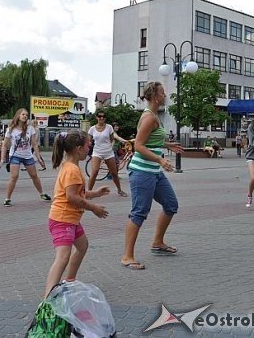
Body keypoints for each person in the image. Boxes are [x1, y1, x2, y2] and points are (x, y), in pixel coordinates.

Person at [121, 82, 184, 270]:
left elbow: (150, 140)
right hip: (142, 172)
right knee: (139, 211)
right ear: (156, 96)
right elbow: (138, 145)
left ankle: (157, 242)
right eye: (163, 92)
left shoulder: (154, 116)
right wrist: (160, 160)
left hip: (154, 173)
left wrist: (167, 145)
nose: (165, 95)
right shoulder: (149, 117)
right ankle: (127, 256)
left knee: (171, 205)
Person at [43, 130, 109, 297]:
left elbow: (78, 193)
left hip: (70, 219)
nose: (90, 149)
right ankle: (47, 298)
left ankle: (69, 281)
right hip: (63, 219)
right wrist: (94, 208)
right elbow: (72, 198)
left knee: (82, 246)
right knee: (62, 258)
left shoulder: (71, 167)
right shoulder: (71, 170)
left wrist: (96, 193)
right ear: (79, 149)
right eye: (88, 145)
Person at [0, 108, 51, 207]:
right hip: (15, 155)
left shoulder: (30, 128)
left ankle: (42, 193)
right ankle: (7, 198)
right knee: (14, 176)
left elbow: (34, 144)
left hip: (27, 155)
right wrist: (2, 158)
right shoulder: (11, 129)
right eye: (23, 114)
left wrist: (39, 157)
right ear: (18, 115)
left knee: (34, 176)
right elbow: (5, 145)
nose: (25, 116)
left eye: (26, 115)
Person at [87, 112, 128, 196]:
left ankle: (119, 190)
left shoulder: (109, 127)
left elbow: (112, 139)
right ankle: (88, 193)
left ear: (105, 118)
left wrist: (112, 146)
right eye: (99, 116)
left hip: (108, 152)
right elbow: (89, 141)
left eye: (103, 116)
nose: (101, 118)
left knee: (114, 173)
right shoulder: (92, 129)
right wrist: (89, 144)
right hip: (97, 152)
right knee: (94, 172)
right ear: (96, 117)